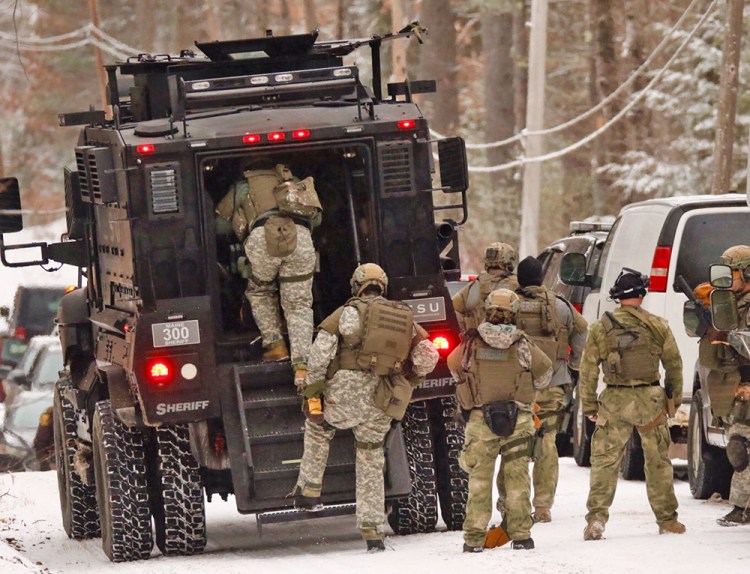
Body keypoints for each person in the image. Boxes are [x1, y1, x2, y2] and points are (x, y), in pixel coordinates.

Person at [293, 263, 439, 551]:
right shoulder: (402, 317)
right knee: (371, 459)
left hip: (344, 396)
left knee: (319, 428)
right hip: (382, 399)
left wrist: (312, 395)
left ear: (356, 284)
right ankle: (373, 533)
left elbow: (319, 355)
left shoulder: (347, 313)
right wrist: (410, 377)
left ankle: (309, 489)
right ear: (383, 285)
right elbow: (428, 355)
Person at [580, 268, 685, 540]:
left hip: (614, 401)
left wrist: (589, 406)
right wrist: (671, 404)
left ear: (617, 296)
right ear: (642, 294)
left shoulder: (600, 328)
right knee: (658, 461)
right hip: (650, 402)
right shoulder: (658, 325)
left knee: (605, 462)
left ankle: (596, 520)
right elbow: (674, 366)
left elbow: (588, 371)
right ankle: (667, 520)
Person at [448, 288, 553, 552]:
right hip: (518, 420)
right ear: (514, 314)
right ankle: (521, 536)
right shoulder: (523, 345)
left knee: (479, 481)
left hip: (481, 420)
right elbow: (544, 374)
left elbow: (453, 364)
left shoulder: (471, 343)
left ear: (488, 311)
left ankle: (473, 538)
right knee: (517, 479)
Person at [495, 256, 588, 523]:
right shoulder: (560, 306)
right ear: (542, 279)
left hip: (514, 387)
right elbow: (583, 333)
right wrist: (573, 366)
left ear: (519, 280)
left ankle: (508, 502)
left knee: (513, 443)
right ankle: (543, 506)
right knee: (547, 440)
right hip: (552, 385)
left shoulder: (505, 305)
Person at [217, 162, 322, 385]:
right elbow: (318, 219)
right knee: (299, 304)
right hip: (300, 238)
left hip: (262, 237)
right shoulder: (292, 180)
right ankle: (302, 365)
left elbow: (220, 226)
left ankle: (276, 346)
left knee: (261, 291)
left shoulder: (242, 185)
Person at [699, 245, 750, 526]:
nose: (726, 279)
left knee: (739, 447)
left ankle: (743, 507)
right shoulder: (729, 305)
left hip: (746, 383)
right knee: (738, 447)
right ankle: (743, 507)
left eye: (733, 273)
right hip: (737, 387)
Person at [452, 242, 518, 332]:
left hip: (480, 340)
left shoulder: (477, 285)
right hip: (512, 340)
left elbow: (453, 308)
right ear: (509, 261)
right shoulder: (518, 284)